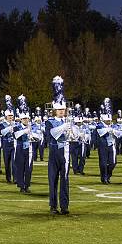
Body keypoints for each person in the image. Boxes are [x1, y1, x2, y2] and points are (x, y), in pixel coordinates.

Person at [45, 76, 71, 215]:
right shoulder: (49, 121)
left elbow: (74, 135)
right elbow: (52, 134)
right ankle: (53, 205)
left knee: (65, 180)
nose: (62, 111)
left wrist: (78, 134)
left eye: (63, 109)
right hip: (54, 153)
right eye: (59, 109)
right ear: (55, 109)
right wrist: (65, 126)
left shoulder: (68, 120)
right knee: (53, 180)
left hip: (65, 153)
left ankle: (65, 206)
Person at [13, 95, 38, 193]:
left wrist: (32, 134)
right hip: (19, 149)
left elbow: (38, 137)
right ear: (21, 119)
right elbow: (16, 135)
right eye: (24, 119)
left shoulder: (32, 126)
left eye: (27, 119)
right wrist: (25, 131)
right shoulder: (16, 127)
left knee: (28, 169)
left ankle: (27, 185)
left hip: (29, 149)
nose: (26, 120)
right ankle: (21, 186)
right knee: (20, 168)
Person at [96, 98, 120, 184]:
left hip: (111, 145)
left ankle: (108, 175)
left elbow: (119, 133)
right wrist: (110, 129)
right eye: (107, 120)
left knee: (113, 163)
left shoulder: (113, 125)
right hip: (103, 146)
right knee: (103, 163)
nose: (109, 121)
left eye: (110, 120)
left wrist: (112, 130)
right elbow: (101, 132)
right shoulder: (99, 125)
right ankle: (104, 178)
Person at [0, 96, 16, 184]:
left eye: (11, 115)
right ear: (6, 116)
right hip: (6, 145)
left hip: (14, 145)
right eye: (9, 115)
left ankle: (15, 178)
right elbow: (2, 133)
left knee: (14, 162)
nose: (11, 117)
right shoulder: (2, 124)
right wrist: (10, 128)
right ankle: (8, 178)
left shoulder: (15, 124)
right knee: (7, 163)